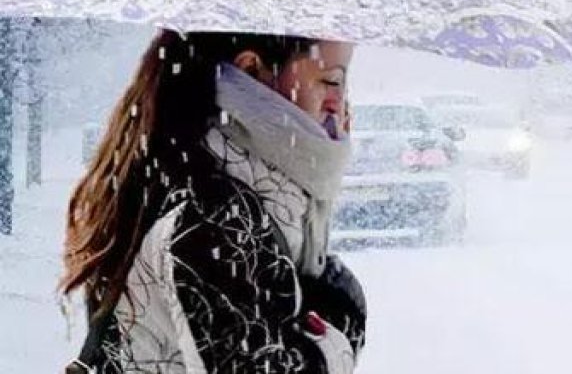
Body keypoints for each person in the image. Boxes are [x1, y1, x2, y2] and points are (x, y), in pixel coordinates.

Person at [60, 29, 366, 373]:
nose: (340, 104)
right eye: (331, 80)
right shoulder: (215, 215)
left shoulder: (191, 173)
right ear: (251, 71)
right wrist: (339, 331)